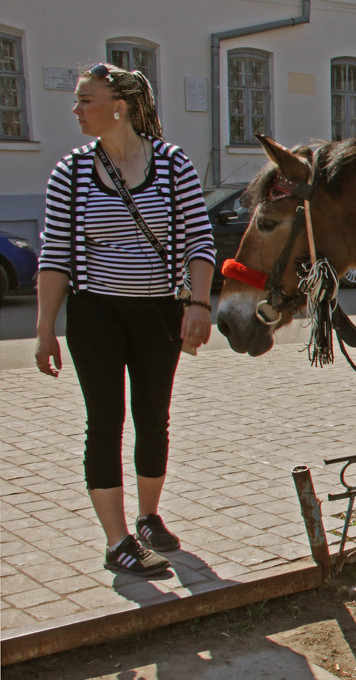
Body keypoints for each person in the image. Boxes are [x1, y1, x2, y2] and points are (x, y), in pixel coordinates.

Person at [35, 63, 216, 578]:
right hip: (96, 313)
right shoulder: (70, 172)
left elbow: (200, 242)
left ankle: (148, 516)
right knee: (105, 420)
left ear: (119, 106)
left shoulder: (172, 164)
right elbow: (55, 256)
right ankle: (117, 541)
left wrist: (198, 304)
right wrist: (46, 328)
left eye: (84, 100)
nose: (76, 110)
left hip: (159, 311)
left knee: (152, 415)